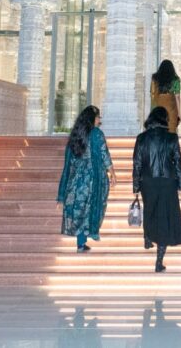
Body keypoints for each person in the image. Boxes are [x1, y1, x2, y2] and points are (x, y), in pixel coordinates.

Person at [132, 106, 181, 272]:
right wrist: (180, 184)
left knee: (150, 210)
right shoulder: (171, 138)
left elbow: (137, 163)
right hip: (167, 181)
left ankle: (148, 235)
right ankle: (159, 260)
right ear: (164, 119)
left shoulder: (141, 138)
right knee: (164, 218)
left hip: (147, 181)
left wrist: (135, 186)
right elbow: (178, 162)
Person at [56, 105, 116, 252]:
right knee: (90, 209)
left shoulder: (75, 136)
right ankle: (83, 241)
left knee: (80, 210)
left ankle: (81, 243)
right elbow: (104, 154)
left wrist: (62, 194)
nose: (99, 120)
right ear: (92, 119)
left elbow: (67, 165)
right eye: (98, 117)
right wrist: (112, 172)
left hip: (76, 181)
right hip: (93, 180)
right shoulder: (97, 134)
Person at [150, 60, 181, 134]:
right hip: (171, 106)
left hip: (158, 104)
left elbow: (152, 95)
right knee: (171, 129)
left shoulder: (155, 78)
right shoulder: (175, 79)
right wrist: (179, 113)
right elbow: (177, 97)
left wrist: (152, 109)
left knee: (158, 128)